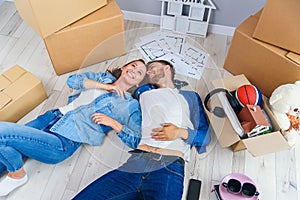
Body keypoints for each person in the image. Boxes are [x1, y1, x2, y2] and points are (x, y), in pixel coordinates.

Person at [0, 59, 147, 196]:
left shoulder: (129, 105)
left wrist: (114, 123)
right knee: (4, 145)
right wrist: (105, 86)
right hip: (49, 118)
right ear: (124, 68)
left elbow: (136, 140)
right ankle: (15, 173)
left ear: (138, 84)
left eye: (140, 72)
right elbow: (72, 81)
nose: (134, 70)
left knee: (3, 133)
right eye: (133, 65)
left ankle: (17, 174)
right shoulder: (103, 78)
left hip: (63, 141)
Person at [73, 60, 211, 200]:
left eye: (152, 67)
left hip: (169, 167)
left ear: (167, 68)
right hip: (136, 163)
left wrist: (179, 132)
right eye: (146, 71)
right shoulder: (142, 91)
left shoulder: (189, 96)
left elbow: (205, 137)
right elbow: (120, 85)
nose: (149, 71)